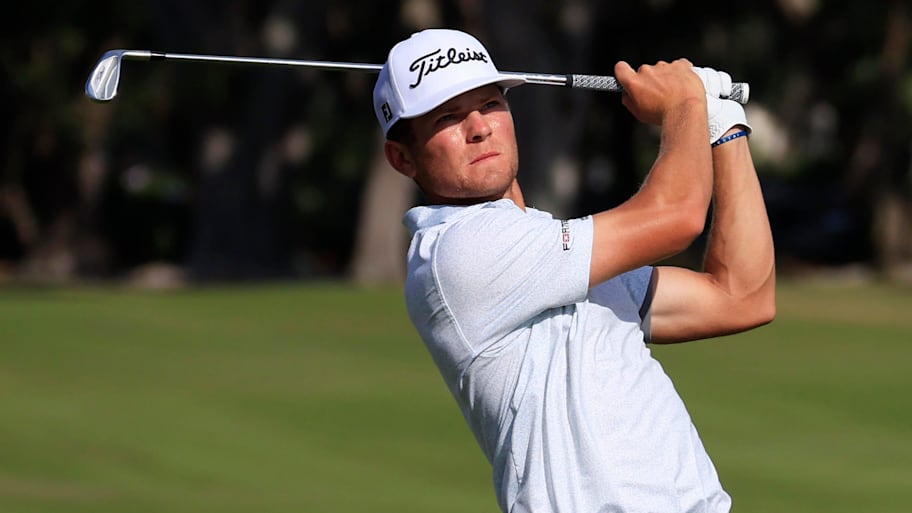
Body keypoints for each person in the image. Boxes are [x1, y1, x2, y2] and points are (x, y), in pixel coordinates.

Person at [373, 28, 775, 513]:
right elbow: (678, 217)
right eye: (448, 117)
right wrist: (685, 104)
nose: (479, 127)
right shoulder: (456, 253)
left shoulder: (551, 251)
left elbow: (741, 296)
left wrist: (724, 129)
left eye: (491, 104)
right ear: (402, 158)